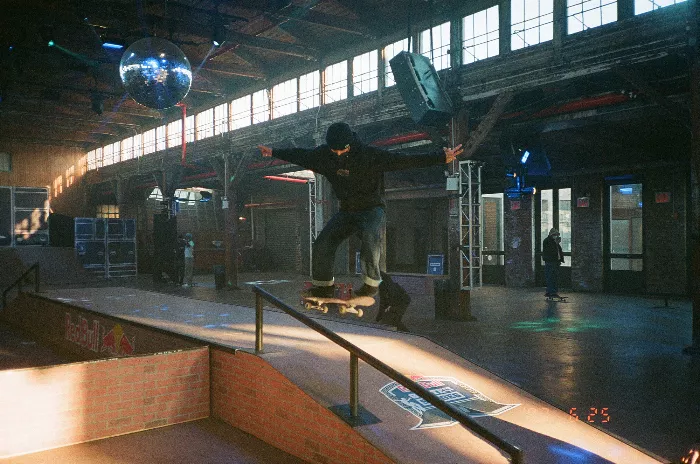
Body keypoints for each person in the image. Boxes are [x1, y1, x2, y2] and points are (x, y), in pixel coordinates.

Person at [258, 122, 464, 298]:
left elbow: (403, 160)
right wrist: (274, 152)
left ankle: (371, 283)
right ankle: (323, 287)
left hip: (372, 208)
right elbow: (301, 155)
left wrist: (439, 157)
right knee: (323, 243)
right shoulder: (323, 156)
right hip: (347, 210)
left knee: (368, 235)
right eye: (334, 151)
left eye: (342, 150)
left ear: (351, 144)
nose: (338, 154)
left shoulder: (369, 156)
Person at [542, 227, 564, 298]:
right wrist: (556, 243)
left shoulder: (554, 242)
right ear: (551, 234)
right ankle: (552, 292)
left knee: (554, 277)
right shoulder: (547, 241)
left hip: (555, 262)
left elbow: (558, 251)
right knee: (551, 277)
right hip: (550, 262)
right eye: (554, 234)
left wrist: (560, 260)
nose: (556, 236)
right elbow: (551, 251)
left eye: (557, 234)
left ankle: (550, 291)